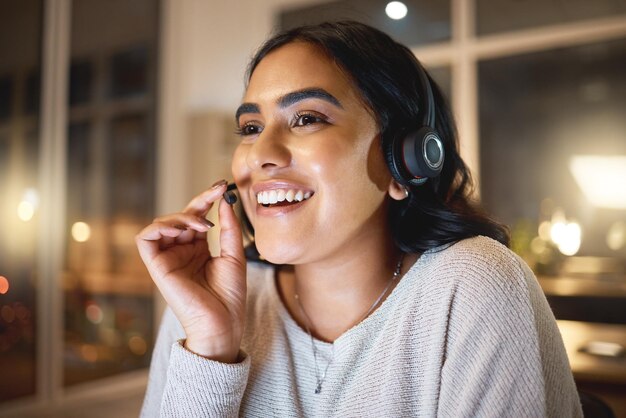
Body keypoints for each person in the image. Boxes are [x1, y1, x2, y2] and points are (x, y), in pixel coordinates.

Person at [136, 21, 582, 417]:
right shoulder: (210, 299)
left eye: (306, 118)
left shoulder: (471, 285)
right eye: (251, 128)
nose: (262, 155)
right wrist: (211, 350)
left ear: (403, 161)